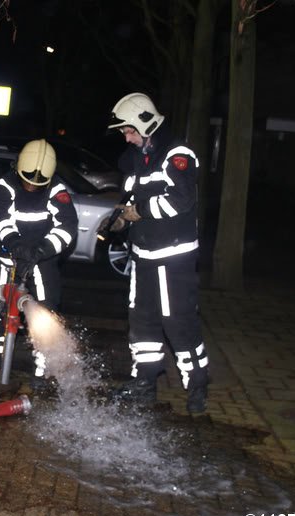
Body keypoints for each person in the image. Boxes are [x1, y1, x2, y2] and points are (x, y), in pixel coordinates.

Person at [105, 92, 209, 413]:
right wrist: (121, 217)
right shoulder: (140, 155)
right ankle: (145, 381)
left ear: (144, 124)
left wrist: (141, 211)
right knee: (143, 321)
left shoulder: (177, 153)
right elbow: (131, 192)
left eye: (128, 130)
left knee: (177, 321)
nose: (126, 136)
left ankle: (197, 386)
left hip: (172, 256)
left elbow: (180, 201)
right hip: (143, 254)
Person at [0, 139, 78, 389]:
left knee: (46, 310)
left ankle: (43, 373)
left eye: (38, 185)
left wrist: (44, 249)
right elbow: (0, 220)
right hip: (7, 259)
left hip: (42, 261)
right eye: (27, 181)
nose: (31, 187)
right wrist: (15, 244)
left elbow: (67, 228)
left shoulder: (57, 190)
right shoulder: (4, 186)